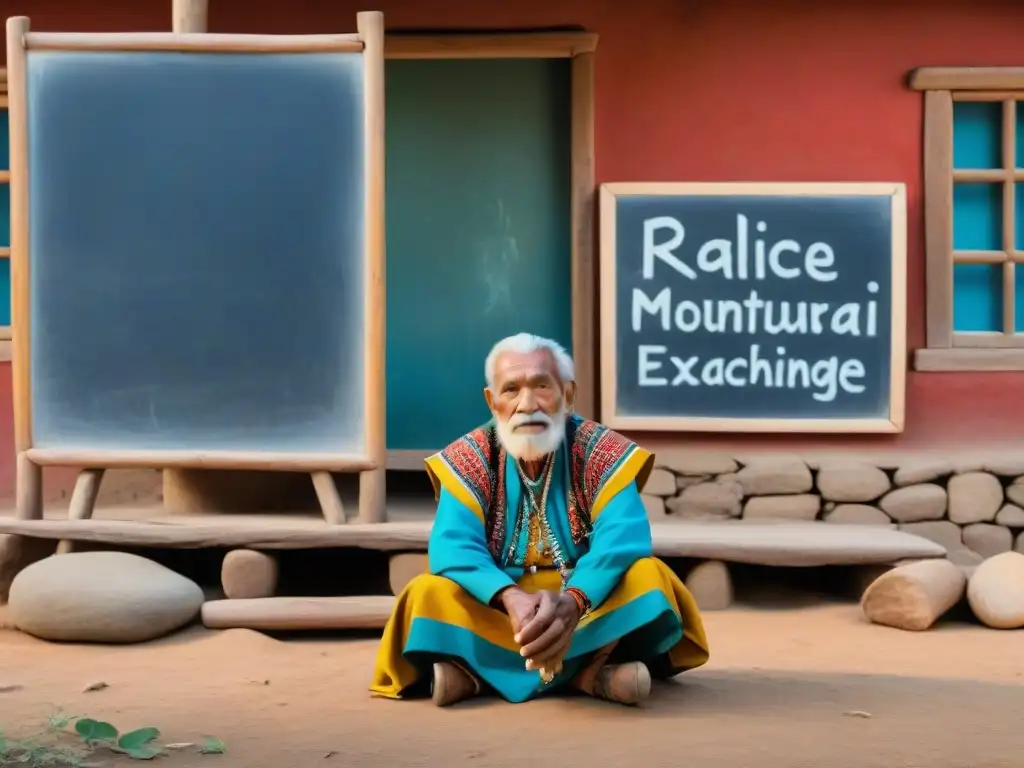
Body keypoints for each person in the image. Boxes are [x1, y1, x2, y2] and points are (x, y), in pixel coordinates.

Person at [370, 333, 709, 706]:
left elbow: (622, 538)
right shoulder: (470, 456)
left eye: (541, 386)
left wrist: (574, 601)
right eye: (511, 389)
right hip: (499, 611)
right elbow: (454, 547)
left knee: (649, 578)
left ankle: (479, 677)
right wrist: (510, 598)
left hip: (584, 608)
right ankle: (587, 674)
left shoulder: (600, 451)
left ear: (567, 395)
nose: (526, 404)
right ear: (492, 401)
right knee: (425, 594)